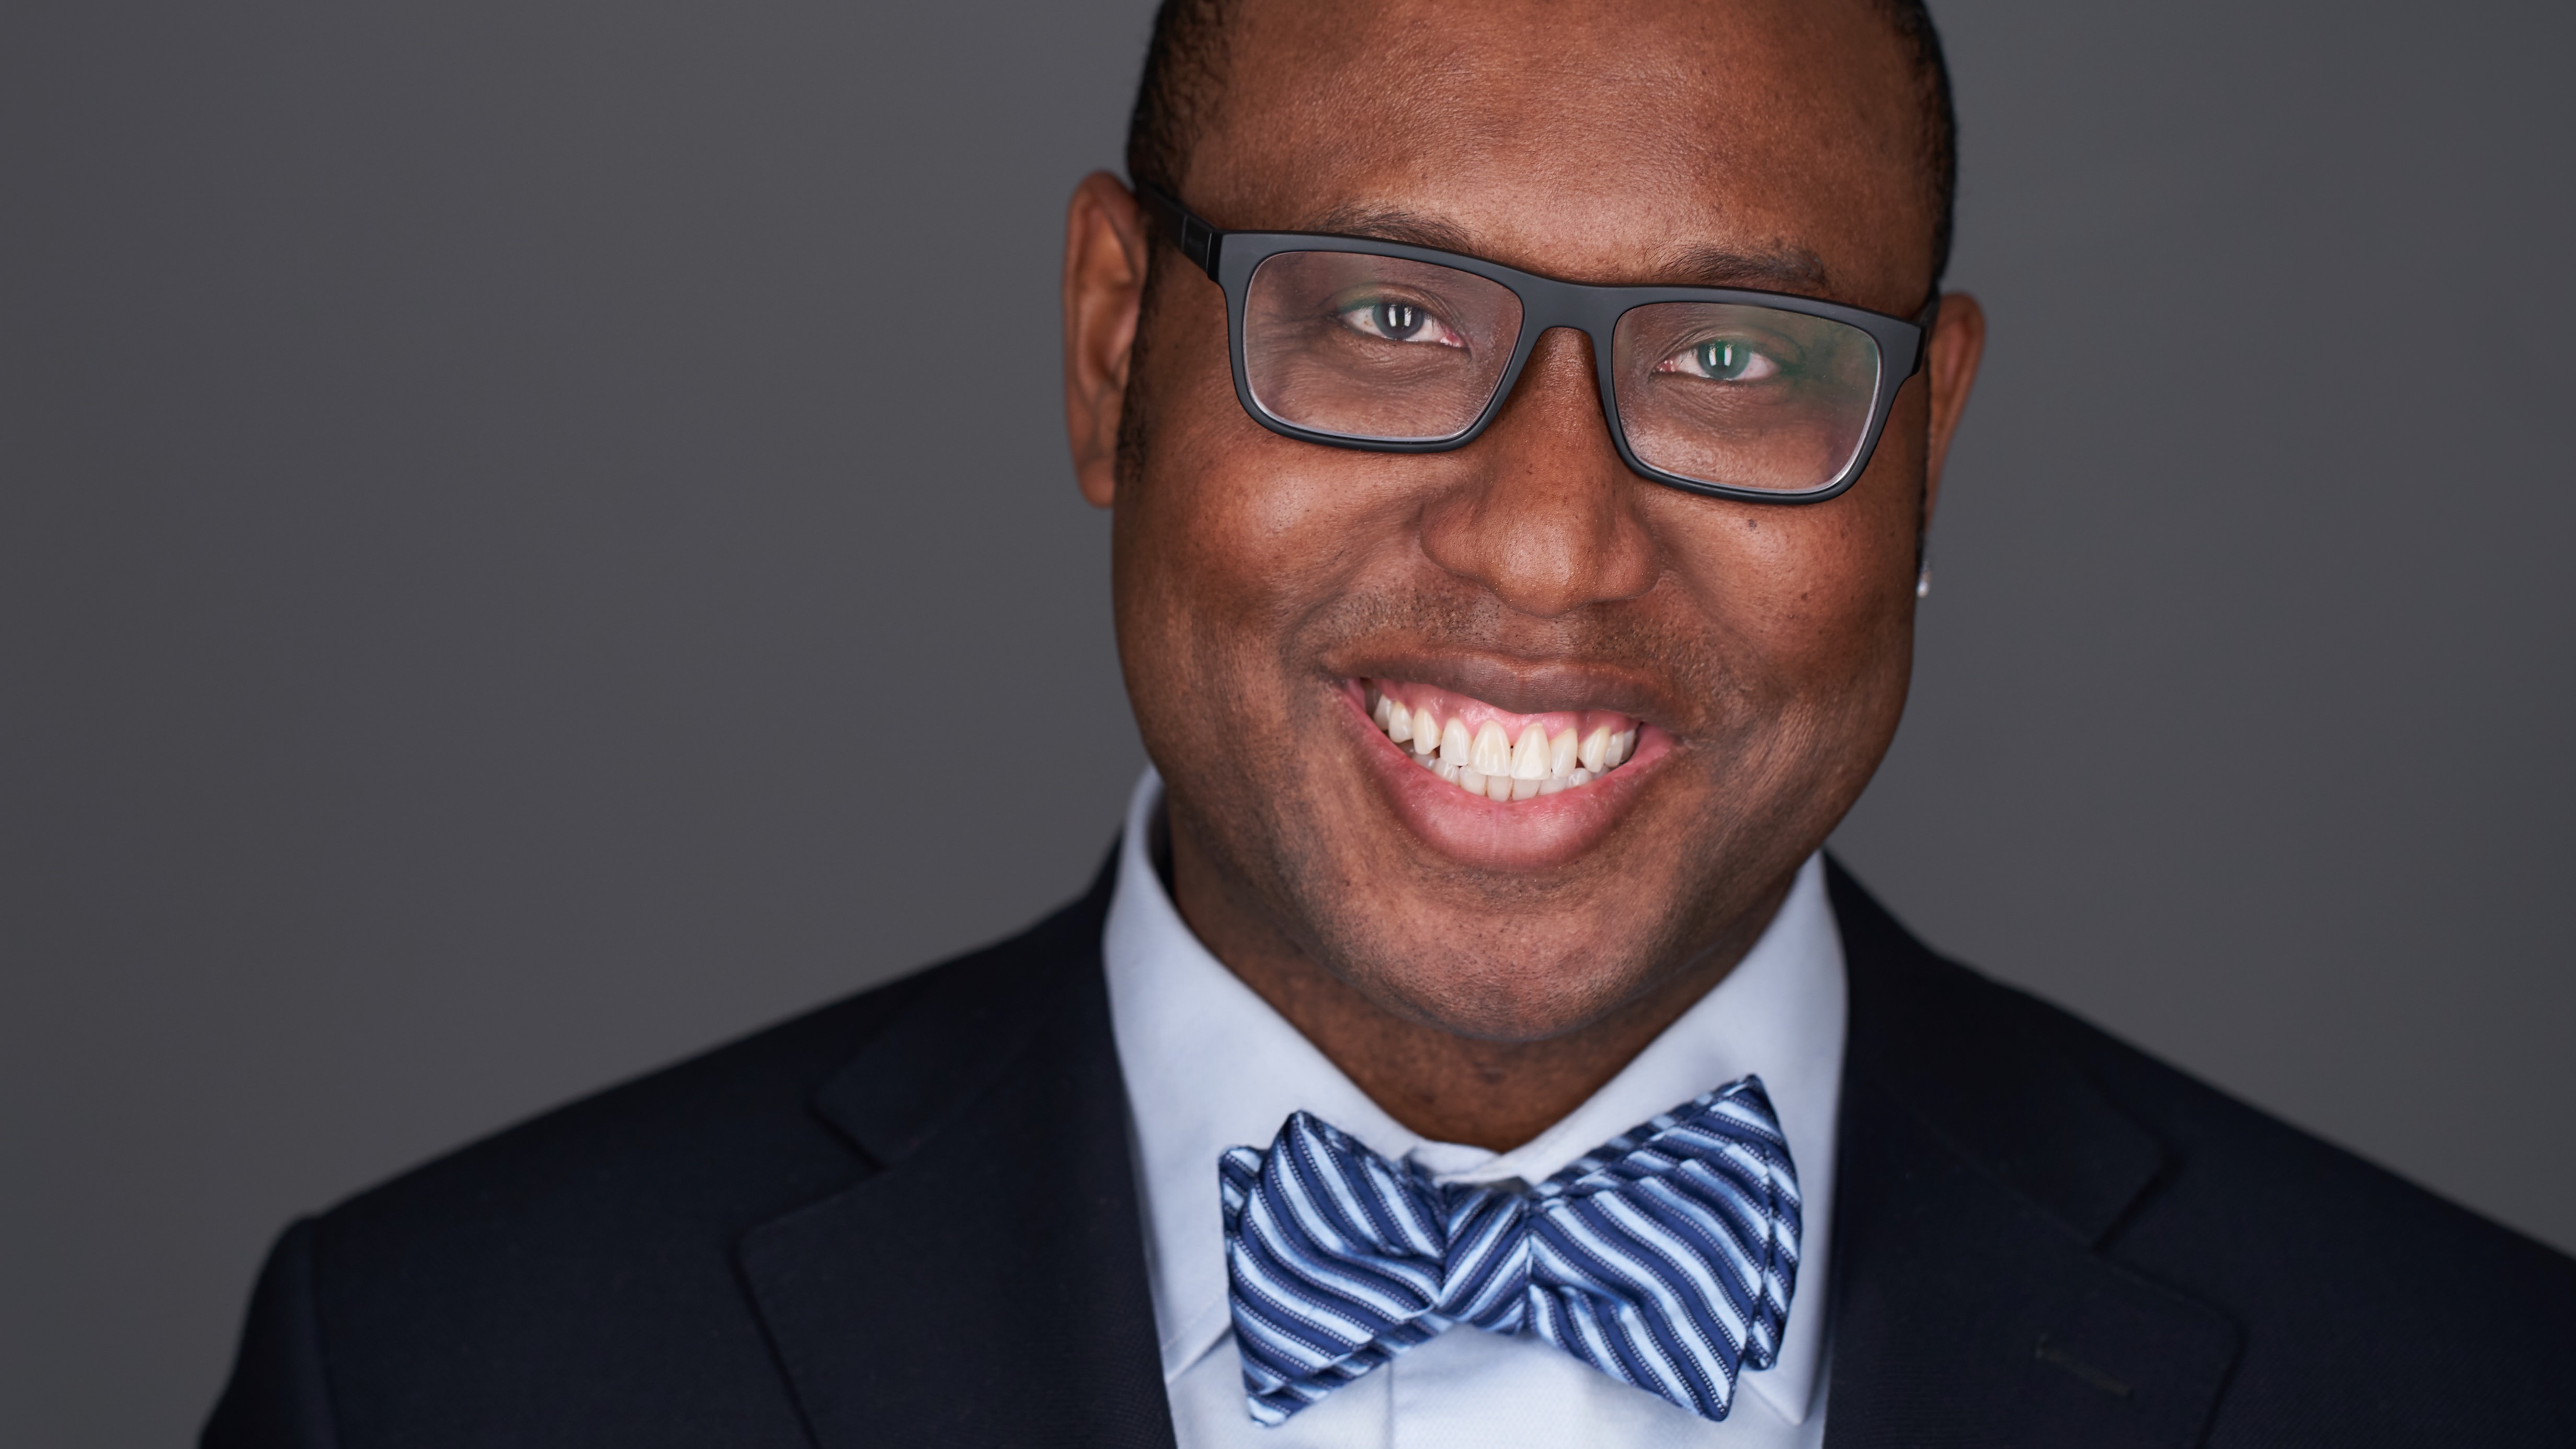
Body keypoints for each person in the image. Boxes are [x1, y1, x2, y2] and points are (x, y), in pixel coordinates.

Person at [203, 1, 2576, 1444]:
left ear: (1925, 445)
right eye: (1379, 321)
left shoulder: (2471, 1392)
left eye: (1737, 364)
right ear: (1114, 351)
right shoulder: (441, 1381)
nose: (1548, 545)